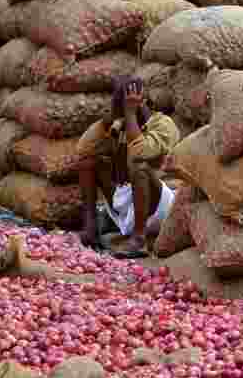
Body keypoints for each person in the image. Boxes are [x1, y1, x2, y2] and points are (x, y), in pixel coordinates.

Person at [76, 76, 181, 258]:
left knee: (137, 163)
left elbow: (140, 152)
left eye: (126, 108)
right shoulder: (120, 126)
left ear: (143, 103)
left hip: (157, 208)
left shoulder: (163, 124)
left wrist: (131, 114)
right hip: (125, 202)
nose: (122, 114)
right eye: (121, 109)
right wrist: (107, 121)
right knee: (88, 163)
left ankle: (139, 240)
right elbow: (83, 149)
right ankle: (91, 229)